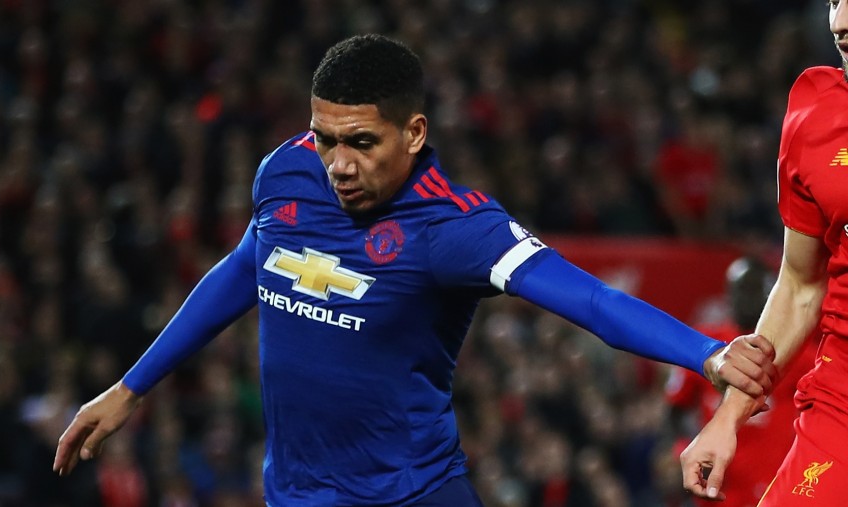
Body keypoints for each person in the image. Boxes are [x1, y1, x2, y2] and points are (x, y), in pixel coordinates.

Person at [53, 34, 776, 506]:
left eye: (361, 143)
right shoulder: (286, 172)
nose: (338, 165)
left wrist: (707, 354)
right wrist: (130, 388)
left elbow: (589, 300)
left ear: (414, 132)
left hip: (411, 494)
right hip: (294, 493)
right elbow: (246, 268)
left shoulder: (455, 227)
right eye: (325, 138)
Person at [680, 2, 848, 504]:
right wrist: (728, 416)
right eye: (833, 1)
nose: (840, 22)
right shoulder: (816, 115)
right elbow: (800, 285)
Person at [666, 257, 817, 507]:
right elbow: (675, 410)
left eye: (753, 289)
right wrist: (685, 447)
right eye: (738, 289)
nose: (744, 298)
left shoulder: (799, 353)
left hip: (776, 487)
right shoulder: (706, 345)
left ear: (772, 293)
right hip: (718, 489)